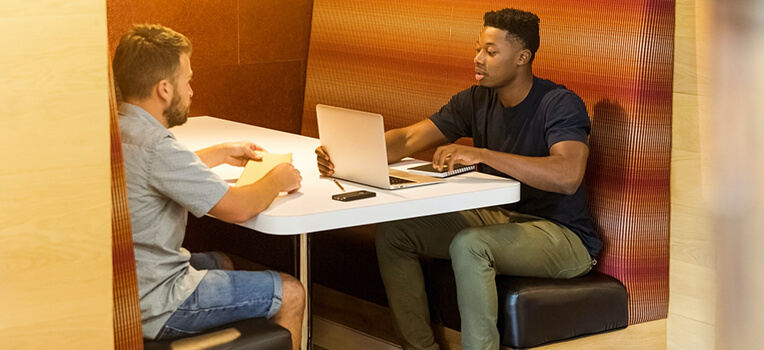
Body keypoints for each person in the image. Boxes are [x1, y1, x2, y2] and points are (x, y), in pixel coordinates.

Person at [315, 8, 603, 350]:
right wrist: (347, 151)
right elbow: (409, 139)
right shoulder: (477, 99)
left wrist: (483, 155)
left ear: (523, 57)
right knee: (396, 231)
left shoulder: (559, 104)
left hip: (561, 235)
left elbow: (567, 175)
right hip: (501, 216)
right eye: (477, 49)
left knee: (470, 245)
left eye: (491, 52)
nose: (478, 59)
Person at [113, 24, 306, 349]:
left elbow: (155, 171)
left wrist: (217, 154)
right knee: (291, 292)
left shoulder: (119, 128)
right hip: (156, 302)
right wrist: (277, 179)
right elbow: (237, 208)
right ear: (164, 89)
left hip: (121, 290)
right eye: (186, 81)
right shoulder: (158, 146)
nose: (190, 92)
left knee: (222, 262)